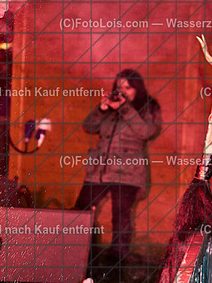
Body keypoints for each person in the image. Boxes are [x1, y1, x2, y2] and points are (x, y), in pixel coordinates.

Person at [74, 69, 162, 275]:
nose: (122, 91)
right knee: (80, 213)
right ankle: (82, 259)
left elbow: (146, 132)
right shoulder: (111, 107)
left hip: (128, 174)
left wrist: (124, 108)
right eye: (118, 86)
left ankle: (116, 266)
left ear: (137, 89)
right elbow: (88, 127)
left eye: (127, 87)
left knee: (120, 219)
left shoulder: (147, 106)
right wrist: (102, 108)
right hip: (99, 171)